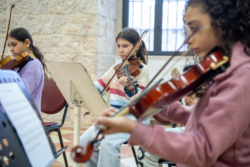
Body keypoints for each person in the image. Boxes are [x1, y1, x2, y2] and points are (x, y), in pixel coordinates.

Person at [95, 0, 250, 166]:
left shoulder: (241, 77)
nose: (189, 40)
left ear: (224, 23)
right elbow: (201, 121)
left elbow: (203, 149)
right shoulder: (222, 65)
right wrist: (160, 104)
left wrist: (135, 129)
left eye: (195, 28)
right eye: (188, 30)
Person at [80, 28, 150, 167]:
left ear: (136, 47)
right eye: (118, 46)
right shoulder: (115, 68)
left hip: (133, 119)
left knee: (108, 143)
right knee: (84, 141)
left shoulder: (141, 70)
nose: (121, 50)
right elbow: (98, 86)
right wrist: (84, 93)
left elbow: (135, 101)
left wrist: (127, 86)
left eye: (125, 46)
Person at [7, 27, 47, 113]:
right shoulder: (20, 63)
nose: (11, 49)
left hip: (26, 117)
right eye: (9, 45)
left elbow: (21, 93)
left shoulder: (33, 65)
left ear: (27, 43)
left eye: (14, 44)